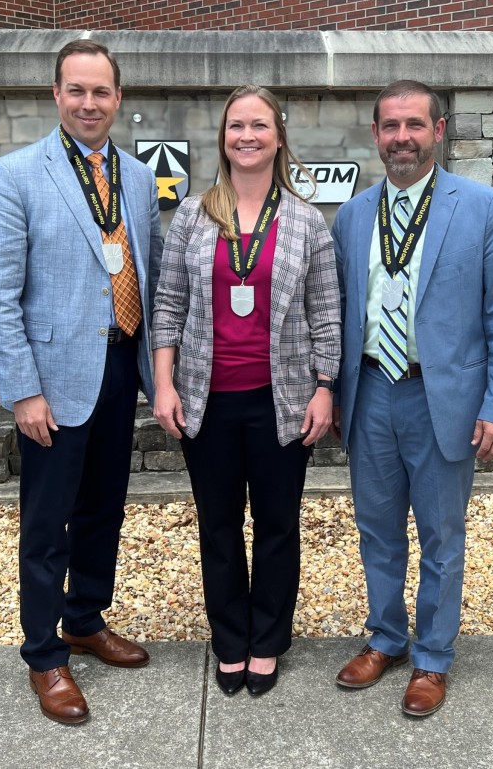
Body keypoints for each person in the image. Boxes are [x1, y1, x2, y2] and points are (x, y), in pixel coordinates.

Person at [0, 39, 163, 724]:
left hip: (122, 365)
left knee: (104, 507)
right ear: (56, 95)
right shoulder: (15, 175)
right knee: (46, 520)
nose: (89, 102)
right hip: (52, 382)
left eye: (101, 91)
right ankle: (44, 653)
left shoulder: (138, 179)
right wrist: (23, 389)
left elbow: (151, 272)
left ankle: (85, 616)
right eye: (76, 90)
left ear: (119, 99)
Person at [332, 80, 493, 716]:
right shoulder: (354, 215)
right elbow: (336, 314)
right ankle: (386, 637)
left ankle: (434, 656)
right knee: (376, 529)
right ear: (375, 134)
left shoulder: (481, 208)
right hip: (371, 394)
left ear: (438, 131)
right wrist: (331, 393)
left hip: (442, 397)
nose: (402, 138)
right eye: (390, 126)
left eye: (415, 125)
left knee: (441, 533)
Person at [151, 85, 341, 697]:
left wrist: (323, 387)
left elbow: (325, 311)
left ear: (279, 137)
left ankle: (269, 640)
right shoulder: (193, 215)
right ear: (223, 138)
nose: (247, 136)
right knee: (219, 526)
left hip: (281, 399)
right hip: (207, 399)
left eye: (259, 125)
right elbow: (169, 305)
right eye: (236, 126)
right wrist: (162, 383)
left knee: (279, 525)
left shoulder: (307, 221)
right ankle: (230, 638)